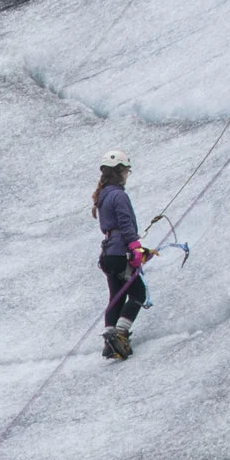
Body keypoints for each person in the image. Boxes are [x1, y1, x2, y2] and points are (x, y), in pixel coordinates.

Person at [93, 150, 152, 360]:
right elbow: (125, 223)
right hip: (120, 252)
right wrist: (135, 247)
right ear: (119, 171)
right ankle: (120, 334)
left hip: (108, 254)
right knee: (138, 293)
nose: (127, 174)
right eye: (126, 171)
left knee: (116, 296)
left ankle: (109, 342)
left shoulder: (103, 196)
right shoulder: (119, 195)